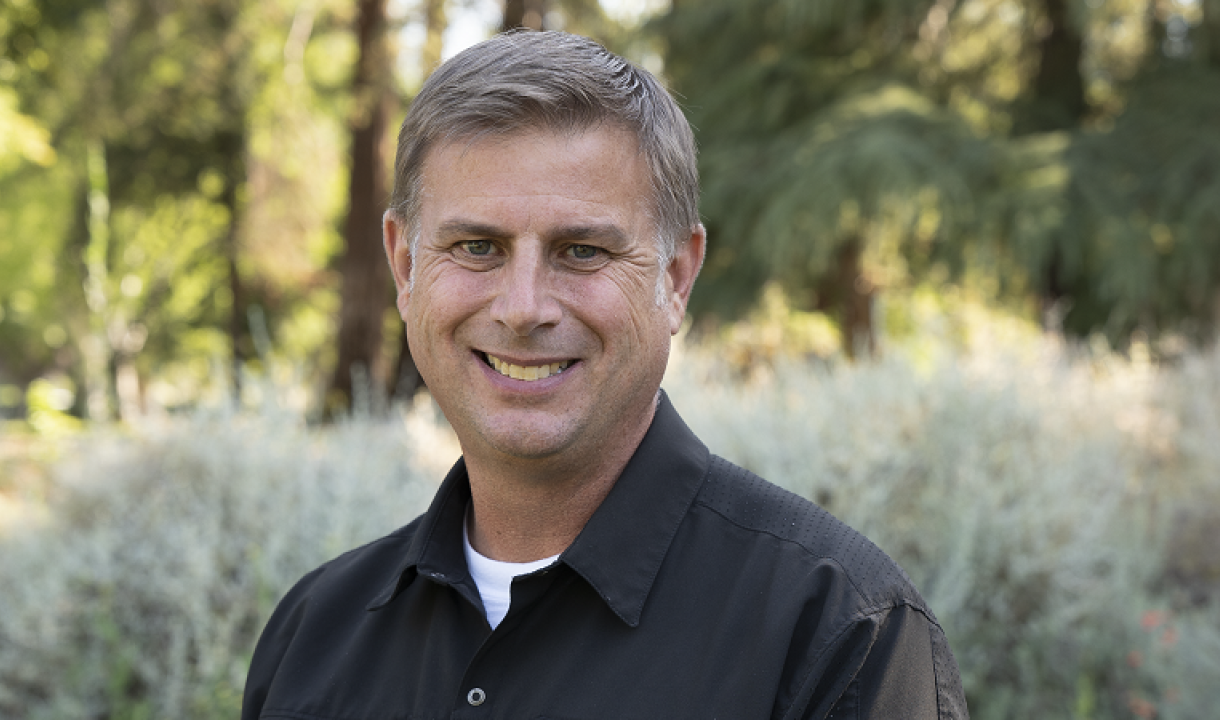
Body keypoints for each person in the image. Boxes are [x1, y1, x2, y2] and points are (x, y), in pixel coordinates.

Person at [243, 30, 968, 720]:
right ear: (404, 266)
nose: (523, 309)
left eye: (582, 251)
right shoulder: (312, 634)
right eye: (476, 247)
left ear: (676, 278)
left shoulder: (838, 634)